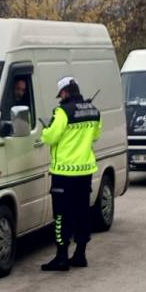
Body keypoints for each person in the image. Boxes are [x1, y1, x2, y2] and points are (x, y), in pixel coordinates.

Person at [39, 76, 102, 272]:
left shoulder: (62, 112)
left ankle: (61, 257)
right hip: (84, 171)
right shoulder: (93, 111)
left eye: (61, 95)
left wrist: (46, 129)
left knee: (61, 216)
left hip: (64, 172)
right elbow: (96, 136)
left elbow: (50, 137)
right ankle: (81, 254)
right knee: (83, 212)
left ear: (65, 92)